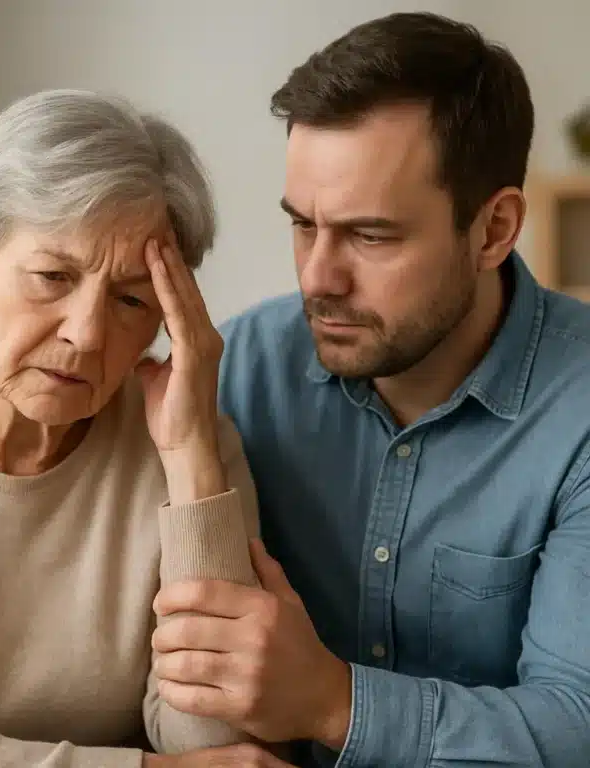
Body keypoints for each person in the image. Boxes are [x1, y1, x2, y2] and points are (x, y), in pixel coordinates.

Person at [150, 12, 590, 767]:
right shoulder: (240, 372)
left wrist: (331, 701)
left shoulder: (578, 409)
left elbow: (576, 724)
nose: (318, 277)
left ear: (494, 230)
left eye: (371, 235)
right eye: (302, 225)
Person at [0, 89, 295, 768]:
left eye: (131, 299)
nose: (85, 333)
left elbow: (219, 747)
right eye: (51, 276)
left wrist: (190, 462)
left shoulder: (194, 448)